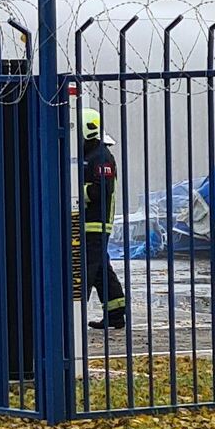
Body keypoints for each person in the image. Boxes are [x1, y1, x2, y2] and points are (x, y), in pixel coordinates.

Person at [79, 107, 128, 329]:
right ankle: (116, 313)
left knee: (86, 268)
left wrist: (74, 192)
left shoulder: (101, 156)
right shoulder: (86, 154)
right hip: (86, 223)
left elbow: (102, 190)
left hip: (96, 224)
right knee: (100, 269)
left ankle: (74, 315)